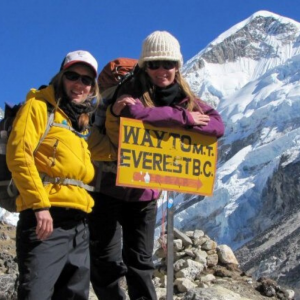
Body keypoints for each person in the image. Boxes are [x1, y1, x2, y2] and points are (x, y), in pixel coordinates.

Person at [88, 31, 225, 300]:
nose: (162, 70)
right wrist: (184, 118)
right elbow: (132, 114)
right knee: (105, 260)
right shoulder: (129, 91)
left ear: (177, 66)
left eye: (168, 64)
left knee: (139, 260)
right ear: (144, 66)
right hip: (108, 187)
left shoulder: (186, 97)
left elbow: (217, 126)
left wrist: (173, 115)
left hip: (144, 193)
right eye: (154, 64)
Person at [6, 50, 117, 300]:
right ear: (60, 77)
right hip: (45, 220)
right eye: (72, 76)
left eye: (87, 80)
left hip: (80, 224)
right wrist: (39, 205)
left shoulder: (82, 125)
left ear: (92, 88)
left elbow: (112, 151)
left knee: (74, 295)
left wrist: (117, 114)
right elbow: (19, 155)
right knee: (36, 294)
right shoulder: (39, 107)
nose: (79, 84)